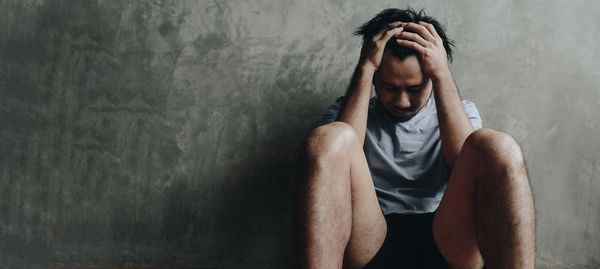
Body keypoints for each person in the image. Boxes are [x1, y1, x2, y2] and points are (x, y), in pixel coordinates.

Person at [294, 8, 535, 269]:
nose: (402, 101)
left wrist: (441, 73)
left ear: (430, 79)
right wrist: (365, 67)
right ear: (375, 80)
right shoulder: (346, 110)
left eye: (415, 88)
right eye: (390, 88)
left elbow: (462, 160)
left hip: (447, 240)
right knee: (330, 138)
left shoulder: (461, 111)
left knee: (499, 146)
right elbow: (339, 166)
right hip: (371, 239)